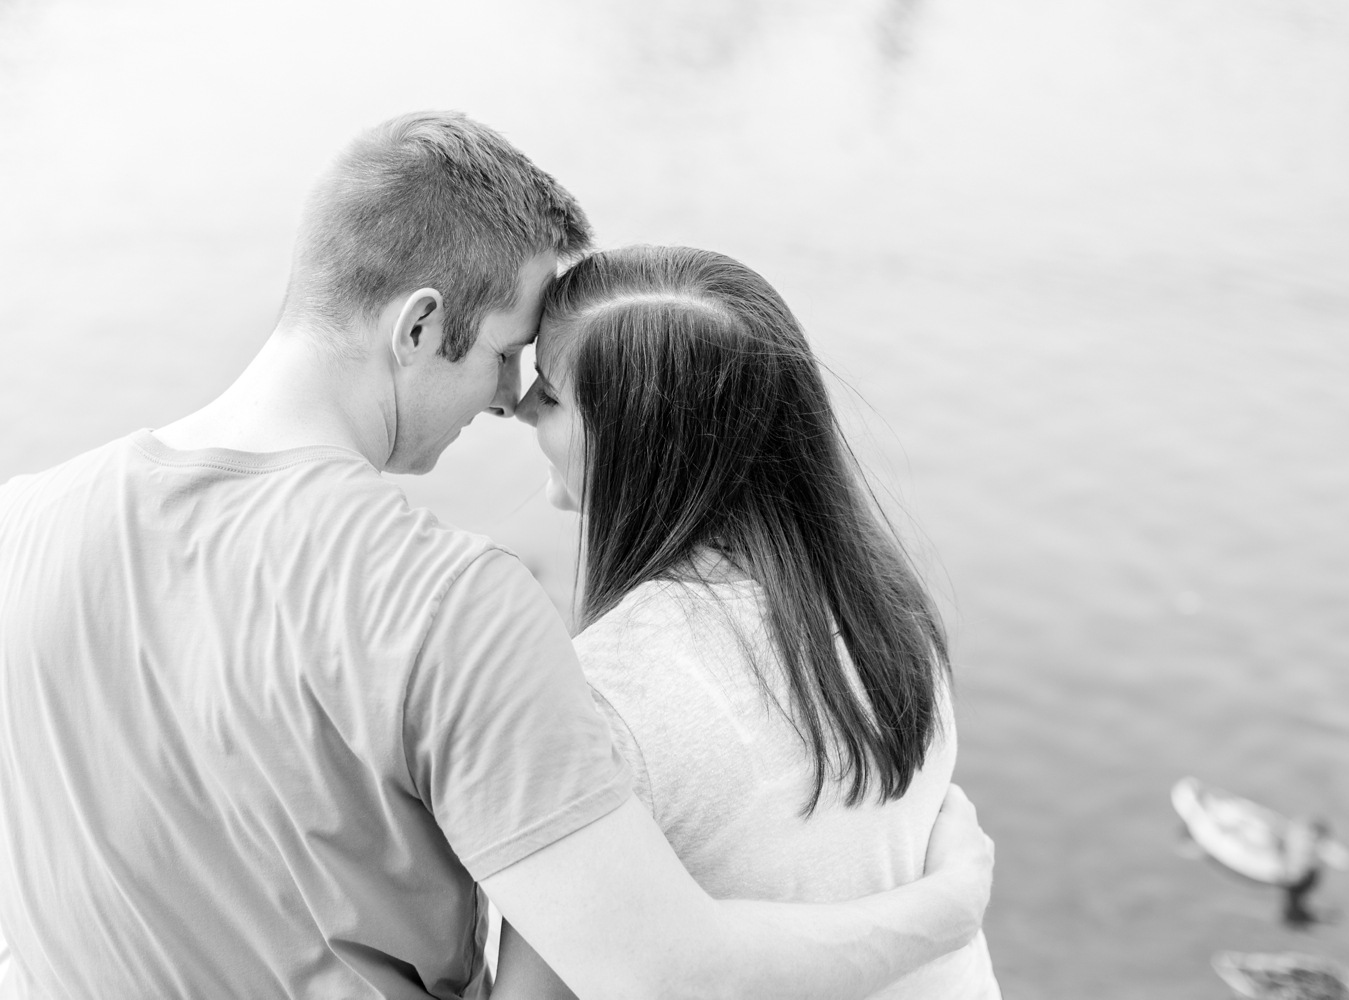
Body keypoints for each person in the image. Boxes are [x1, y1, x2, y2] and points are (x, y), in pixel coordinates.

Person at [0, 111, 994, 999]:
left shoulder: (20, 526)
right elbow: (657, 971)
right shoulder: (450, 602)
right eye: (508, 352)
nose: (509, 398)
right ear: (421, 325)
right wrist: (945, 911)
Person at [491, 245, 1002, 998]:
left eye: (556, 395)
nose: (522, 406)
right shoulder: (889, 614)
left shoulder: (607, 693)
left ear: (642, 443)